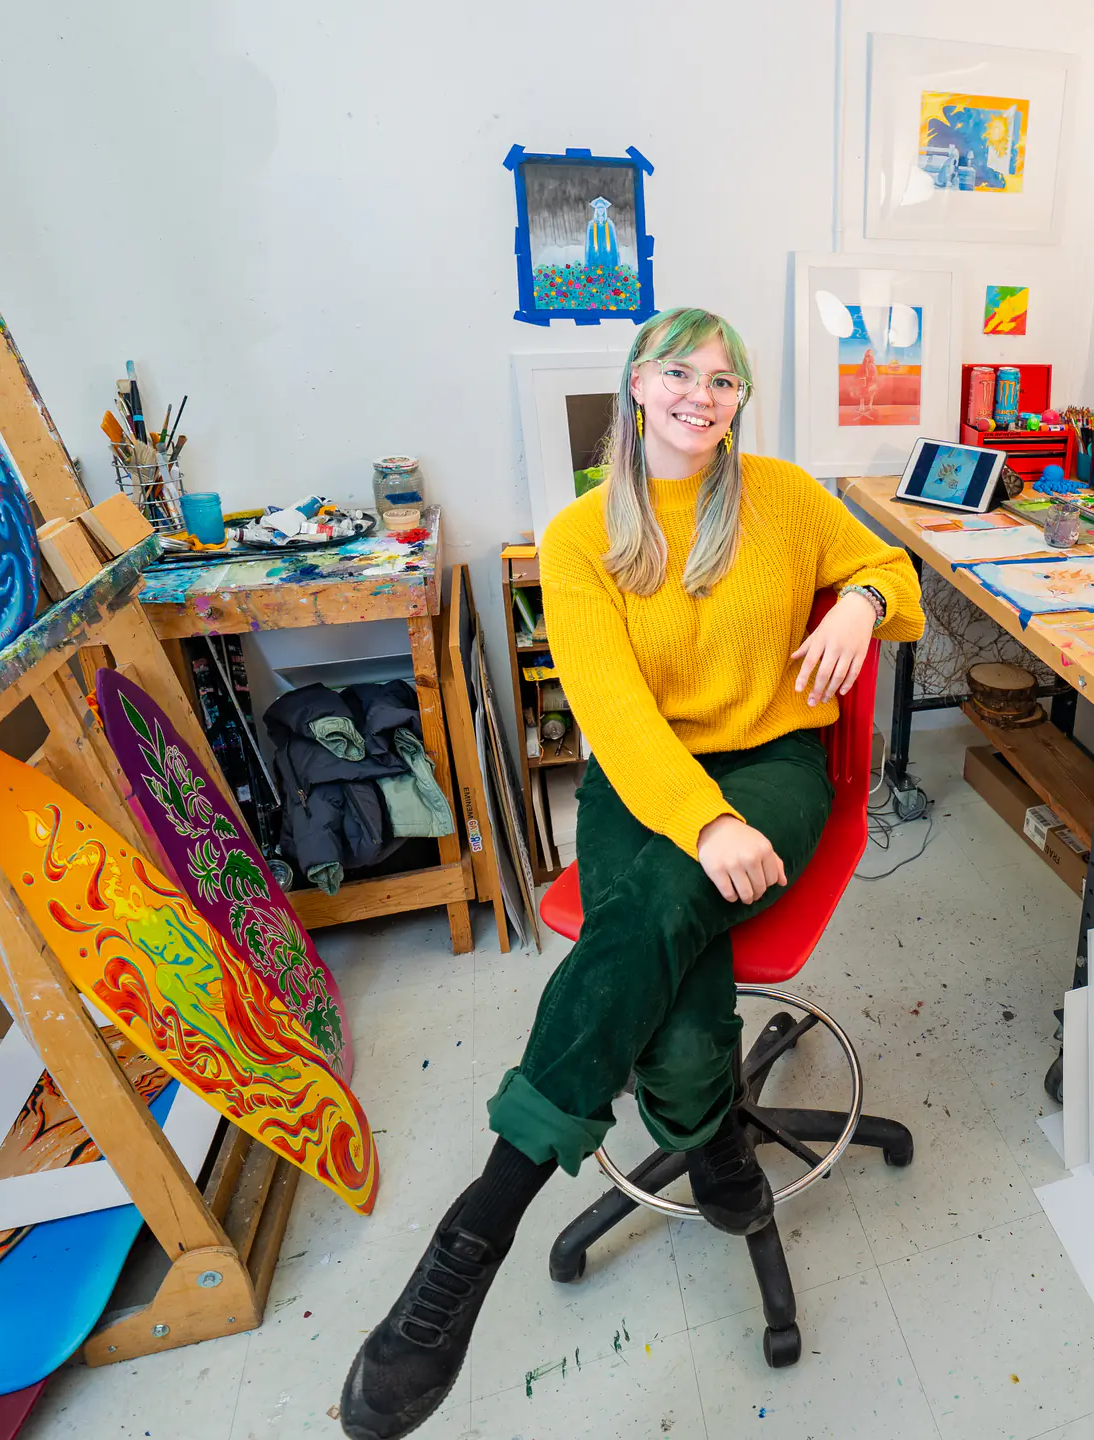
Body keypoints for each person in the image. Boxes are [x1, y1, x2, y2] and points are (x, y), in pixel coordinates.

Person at [339, 308, 924, 1440]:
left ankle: (479, 1222)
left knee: (651, 916)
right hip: (640, 782)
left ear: (740, 400)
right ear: (637, 388)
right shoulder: (578, 536)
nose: (703, 394)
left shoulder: (787, 497)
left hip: (773, 769)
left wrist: (859, 597)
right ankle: (715, 1153)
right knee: (673, 979)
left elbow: (890, 569)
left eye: (725, 378)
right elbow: (608, 710)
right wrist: (702, 826)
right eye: (679, 373)